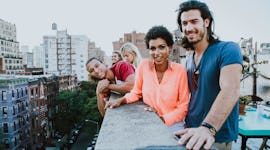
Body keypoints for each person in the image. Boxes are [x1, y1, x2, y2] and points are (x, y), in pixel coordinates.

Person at [174, 1, 243, 149]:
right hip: (189, 131)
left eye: (194, 21)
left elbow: (231, 89)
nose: (188, 28)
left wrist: (207, 128)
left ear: (206, 22)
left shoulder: (228, 49)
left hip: (214, 135)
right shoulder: (188, 60)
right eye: (184, 23)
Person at [105, 26, 190, 132]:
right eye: (152, 48)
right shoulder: (144, 66)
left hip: (174, 125)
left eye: (161, 47)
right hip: (150, 123)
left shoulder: (180, 71)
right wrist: (121, 100)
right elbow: (136, 92)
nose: (157, 53)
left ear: (170, 48)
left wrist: (162, 119)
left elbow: (183, 107)